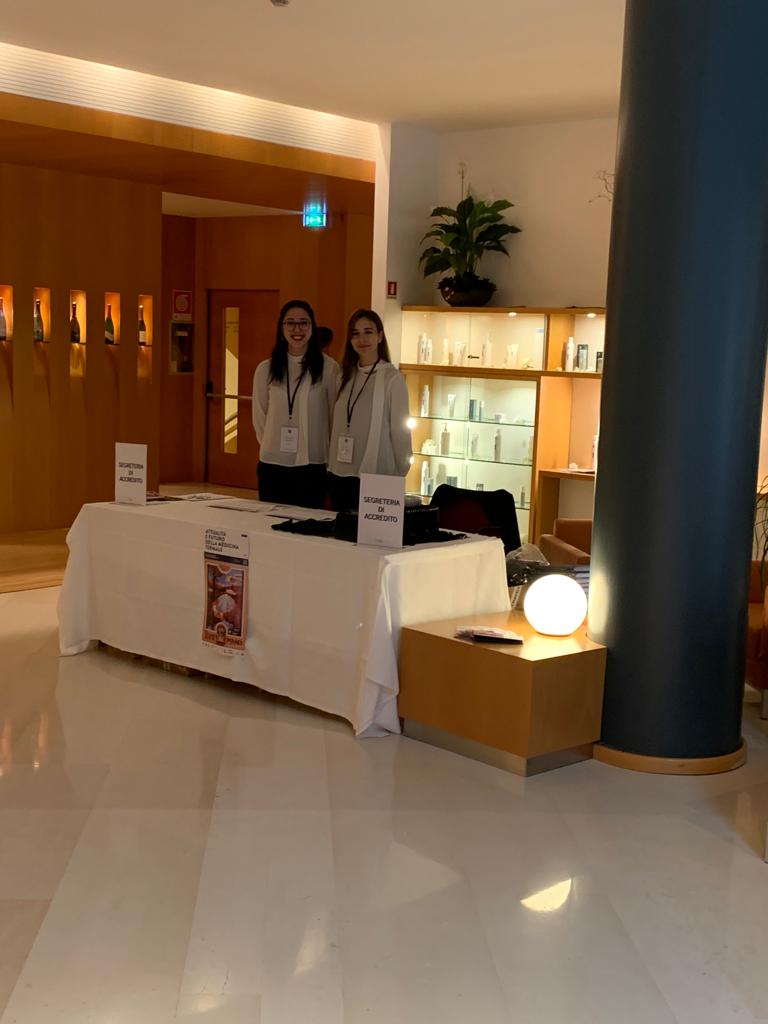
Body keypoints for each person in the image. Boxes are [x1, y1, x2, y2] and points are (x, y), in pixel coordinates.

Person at [252, 299, 339, 508]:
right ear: (281, 328)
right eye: (290, 323)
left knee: (307, 524)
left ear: (312, 327)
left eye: (303, 323)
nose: (297, 329)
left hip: (312, 463)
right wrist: (275, 444)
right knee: (270, 523)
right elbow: (260, 417)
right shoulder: (266, 369)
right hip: (273, 464)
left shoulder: (329, 368)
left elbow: (332, 417)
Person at [327, 308, 412, 511]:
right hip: (339, 474)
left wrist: (400, 472)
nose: (362, 339)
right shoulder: (343, 376)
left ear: (380, 336)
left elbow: (400, 432)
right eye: (355, 333)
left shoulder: (392, 379)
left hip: (376, 475)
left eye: (368, 332)